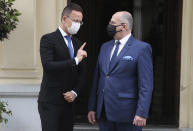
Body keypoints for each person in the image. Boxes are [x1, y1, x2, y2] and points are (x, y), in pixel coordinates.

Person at [88, 11, 153, 131]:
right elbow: (97, 79)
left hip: (128, 115)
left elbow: (146, 85)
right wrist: (92, 107)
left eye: (112, 23)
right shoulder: (105, 47)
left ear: (124, 26)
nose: (109, 25)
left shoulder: (142, 49)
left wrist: (142, 112)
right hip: (104, 113)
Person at [38, 3, 87, 131]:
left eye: (80, 22)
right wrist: (75, 60)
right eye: (76, 21)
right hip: (50, 102)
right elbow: (48, 66)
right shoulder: (48, 39)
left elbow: (83, 74)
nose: (78, 25)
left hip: (69, 103)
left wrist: (75, 92)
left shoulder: (78, 43)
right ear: (64, 19)